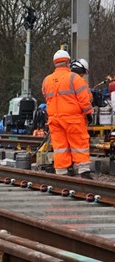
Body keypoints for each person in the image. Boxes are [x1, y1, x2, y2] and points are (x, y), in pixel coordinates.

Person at [42, 50, 94, 179]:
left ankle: (61, 172)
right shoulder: (74, 78)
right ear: (67, 62)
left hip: (54, 119)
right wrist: (88, 113)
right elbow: (84, 98)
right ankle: (84, 171)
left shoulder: (46, 80)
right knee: (79, 143)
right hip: (73, 118)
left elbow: (46, 98)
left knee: (60, 147)